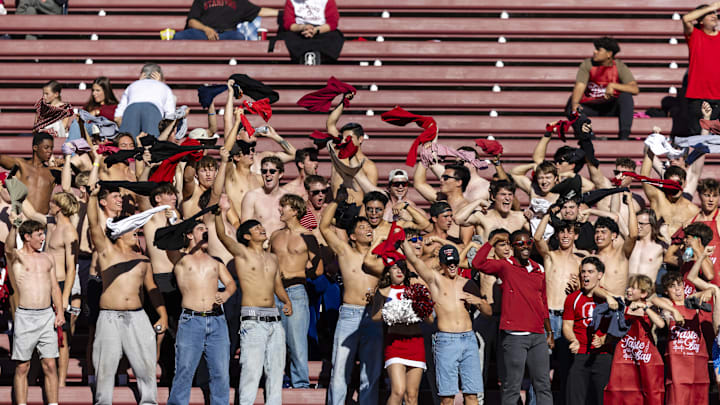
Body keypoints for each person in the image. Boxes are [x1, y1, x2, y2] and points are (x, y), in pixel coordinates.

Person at [87, 184, 168, 405]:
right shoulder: (106, 251)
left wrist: (163, 314)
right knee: (105, 368)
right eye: (134, 231)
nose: (137, 234)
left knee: (145, 366)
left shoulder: (142, 260)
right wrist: (93, 197)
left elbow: (152, 289)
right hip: (109, 317)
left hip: (137, 317)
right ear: (121, 233)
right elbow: (94, 224)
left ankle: (149, 402)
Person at [214, 210, 293, 405]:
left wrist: (287, 301)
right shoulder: (242, 253)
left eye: (261, 226)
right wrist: (218, 214)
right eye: (256, 228)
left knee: (275, 372)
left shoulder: (273, 258)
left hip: (275, 319)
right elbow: (223, 235)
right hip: (253, 320)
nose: (261, 228)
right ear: (247, 236)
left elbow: (277, 285)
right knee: (251, 371)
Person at [472, 230, 554, 405]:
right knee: (512, 386)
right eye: (519, 244)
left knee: (543, 385)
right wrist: (492, 241)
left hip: (538, 335)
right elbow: (477, 263)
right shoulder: (505, 266)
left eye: (528, 243)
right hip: (515, 335)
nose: (525, 247)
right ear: (512, 246)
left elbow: (543, 302)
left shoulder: (538, 268)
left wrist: (549, 331)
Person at [320, 198, 383, 405]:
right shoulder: (345, 251)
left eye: (369, 227)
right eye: (362, 227)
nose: (368, 230)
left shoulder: (380, 255)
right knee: (340, 369)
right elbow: (324, 226)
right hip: (349, 314)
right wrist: (336, 201)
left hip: (373, 315)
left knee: (371, 372)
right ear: (353, 235)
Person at [166, 220, 236, 405]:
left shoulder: (215, 262)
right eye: (200, 229)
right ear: (189, 235)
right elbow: (168, 245)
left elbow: (231, 283)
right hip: (191, 321)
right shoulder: (181, 259)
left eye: (206, 230)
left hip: (217, 321)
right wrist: (176, 223)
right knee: (185, 369)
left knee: (220, 371)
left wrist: (226, 293)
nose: (205, 232)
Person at [6, 216, 64, 405]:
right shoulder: (18, 256)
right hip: (25, 316)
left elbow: (55, 287)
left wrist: (60, 312)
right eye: (39, 235)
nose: (43, 238)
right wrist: (14, 227)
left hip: (47, 315)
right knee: (23, 366)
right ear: (27, 237)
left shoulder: (48, 257)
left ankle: (53, 403)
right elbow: (7, 249)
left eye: (43, 234)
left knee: (50, 365)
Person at [270, 193, 319, 389]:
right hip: (274, 292)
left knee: (297, 343)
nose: (280, 210)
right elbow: (267, 262)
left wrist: (297, 272)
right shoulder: (275, 235)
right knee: (274, 343)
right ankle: (275, 382)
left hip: (296, 290)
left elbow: (319, 268)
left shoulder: (308, 236)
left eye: (284, 207)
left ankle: (301, 385)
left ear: (295, 211)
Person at [370, 261, 427, 405]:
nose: (398, 271)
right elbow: (375, 317)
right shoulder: (383, 291)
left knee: (412, 396)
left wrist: (421, 308)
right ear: (388, 272)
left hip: (415, 344)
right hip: (395, 344)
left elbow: (430, 319)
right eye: (394, 268)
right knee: (398, 391)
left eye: (401, 268)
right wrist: (392, 313)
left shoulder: (415, 290)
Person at [603, 275, 665, 405]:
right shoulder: (623, 305)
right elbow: (601, 290)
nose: (629, 290)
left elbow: (661, 324)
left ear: (644, 293)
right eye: (628, 287)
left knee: (650, 394)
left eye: (634, 288)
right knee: (623, 393)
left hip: (646, 356)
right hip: (625, 356)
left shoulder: (650, 306)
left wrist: (645, 308)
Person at [562, 257, 615, 405]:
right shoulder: (573, 298)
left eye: (590, 272)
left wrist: (604, 339)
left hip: (603, 355)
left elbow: (617, 329)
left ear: (599, 275)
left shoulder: (609, 299)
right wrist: (573, 340)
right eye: (583, 272)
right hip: (580, 354)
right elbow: (567, 325)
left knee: (602, 400)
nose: (585, 275)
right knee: (575, 399)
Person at [567, 37, 639, 140]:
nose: (594, 52)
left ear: (609, 54)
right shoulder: (588, 64)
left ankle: (624, 136)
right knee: (572, 105)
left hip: (609, 107)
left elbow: (635, 89)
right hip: (590, 106)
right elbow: (580, 85)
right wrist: (575, 104)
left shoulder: (619, 66)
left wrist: (613, 85)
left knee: (626, 96)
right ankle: (590, 137)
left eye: (598, 50)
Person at [656, 272, 710, 405]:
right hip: (678, 367)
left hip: (697, 362)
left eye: (680, 285)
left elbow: (710, 290)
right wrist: (673, 312)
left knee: (699, 396)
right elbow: (653, 298)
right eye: (672, 286)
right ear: (666, 291)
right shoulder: (668, 303)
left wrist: (710, 291)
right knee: (677, 397)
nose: (677, 289)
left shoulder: (692, 302)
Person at [682, 3, 720, 134]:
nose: (714, 16)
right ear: (701, 20)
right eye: (709, 14)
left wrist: (711, 10)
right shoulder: (695, 35)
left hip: (718, 97)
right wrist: (712, 7)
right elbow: (686, 19)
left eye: (715, 13)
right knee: (697, 141)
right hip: (698, 97)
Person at [0, 132, 58, 215]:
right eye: (46, 148)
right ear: (35, 147)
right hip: (21, 219)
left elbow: (79, 180)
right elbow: (2, 158)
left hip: (41, 222)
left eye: (52, 148)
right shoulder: (22, 165)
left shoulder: (53, 172)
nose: (50, 151)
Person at [114, 63, 175, 138]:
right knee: (151, 145)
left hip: (131, 110)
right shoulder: (165, 88)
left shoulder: (132, 86)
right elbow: (170, 117)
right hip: (153, 111)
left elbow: (117, 117)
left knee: (129, 146)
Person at [174, 0, 278, 40]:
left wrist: (281, 13)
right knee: (178, 36)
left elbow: (260, 11)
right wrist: (207, 30)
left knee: (239, 37)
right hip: (202, 33)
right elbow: (192, 21)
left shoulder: (239, 2)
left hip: (227, 34)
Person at [280, 0, 344, 65]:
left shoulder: (326, 1)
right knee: (290, 36)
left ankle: (320, 57)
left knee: (335, 36)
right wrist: (303, 28)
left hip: (321, 30)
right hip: (300, 30)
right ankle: (305, 57)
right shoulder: (292, 1)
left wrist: (316, 30)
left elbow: (332, 23)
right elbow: (289, 24)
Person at [685, 178, 720, 285]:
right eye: (707, 195)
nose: (711, 200)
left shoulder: (719, 219)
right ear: (699, 195)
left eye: (714, 196)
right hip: (695, 276)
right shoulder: (690, 221)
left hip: (716, 274)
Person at [240, 156, 286, 235]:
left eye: (272, 171)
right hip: (260, 245)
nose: (267, 174)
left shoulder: (288, 198)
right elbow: (245, 229)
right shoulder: (252, 196)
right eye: (264, 171)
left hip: (282, 244)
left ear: (280, 174)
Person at [629, 208, 665, 282]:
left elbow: (677, 257)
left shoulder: (659, 247)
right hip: (629, 290)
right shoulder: (631, 244)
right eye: (636, 223)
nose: (638, 226)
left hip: (647, 291)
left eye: (641, 224)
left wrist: (666, 236)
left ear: (652, 224)